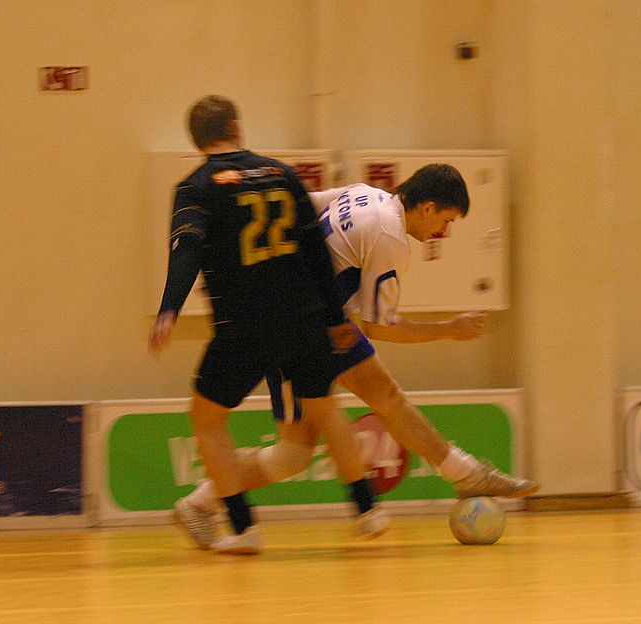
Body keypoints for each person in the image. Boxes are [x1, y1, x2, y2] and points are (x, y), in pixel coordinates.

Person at [174, 164, 539, 543]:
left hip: (314, 322)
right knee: (302, 448)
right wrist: (448, 329)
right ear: (427, 207)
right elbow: (380, 326)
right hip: (301, 328)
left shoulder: (363, 194)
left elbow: (299, 205)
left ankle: (466, 475)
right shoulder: (390, 238)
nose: (443, 233)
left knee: (354, 417)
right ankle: (201, 504)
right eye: (445, 221)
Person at [150, 95, 387, 555]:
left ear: (196, 140)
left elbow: (187, 248)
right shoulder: (282, 173)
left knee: (207, 419)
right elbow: (316, 251)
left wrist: (169, 309)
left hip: (246, 325)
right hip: (306, 317)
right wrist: (335, 317)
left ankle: (243, 529)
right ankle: (368, 511)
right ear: (236, 127)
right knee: (324, 408)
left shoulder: (196, 187)